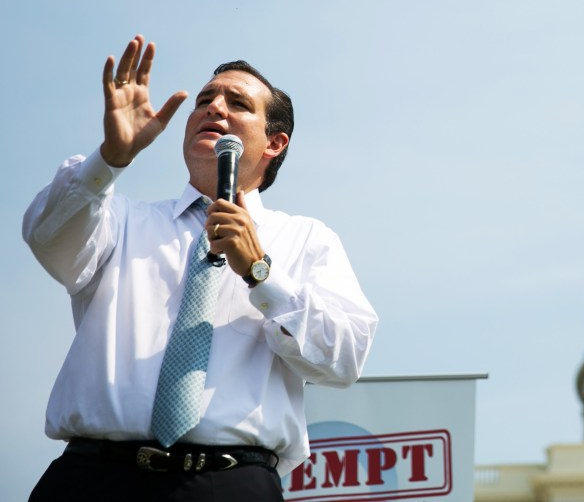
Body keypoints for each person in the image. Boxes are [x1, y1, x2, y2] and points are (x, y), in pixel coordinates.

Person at [23, 35, 378, 501]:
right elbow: (46, 236)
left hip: (230, 484)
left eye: (237, 103)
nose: (214, 108)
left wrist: (260, 273)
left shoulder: (307, 240)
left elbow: (344, 358)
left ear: (275, 142)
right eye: (205, 100)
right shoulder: (121, 220)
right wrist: (109, 160)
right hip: (92, 479)